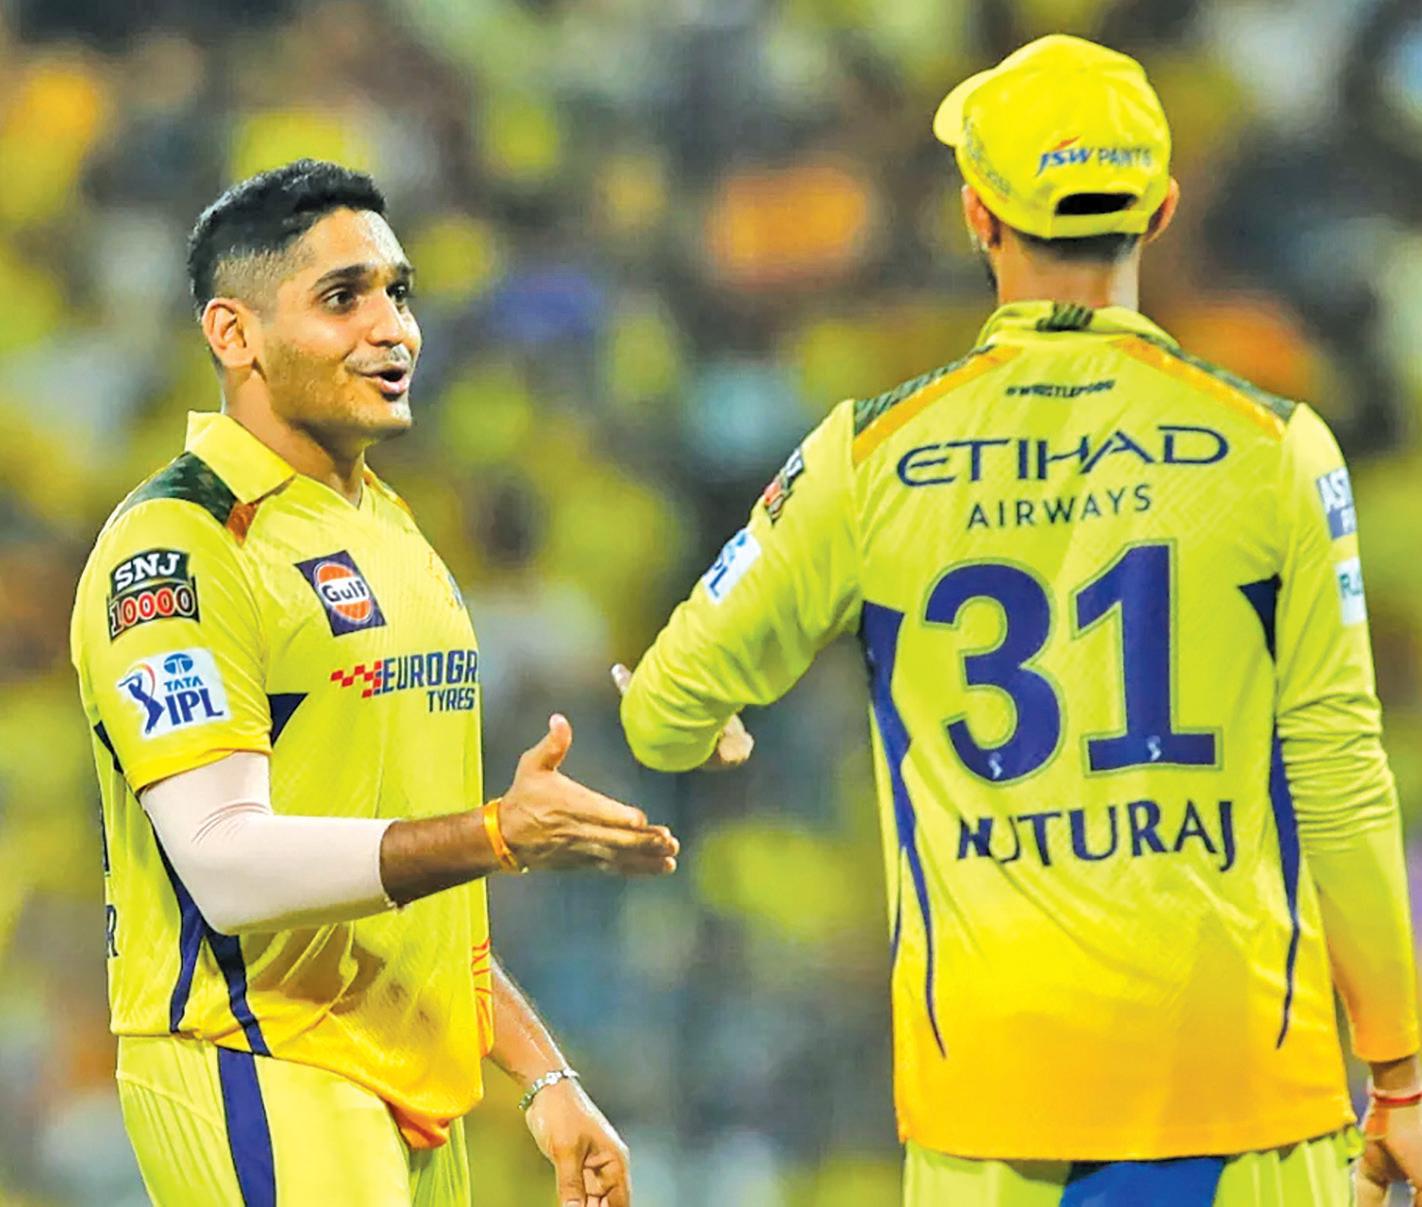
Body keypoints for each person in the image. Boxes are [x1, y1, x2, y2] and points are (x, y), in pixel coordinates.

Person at [616, 35, 1422, 1206]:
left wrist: (707, 724)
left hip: (993, 1115)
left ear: (976, 216)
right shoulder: (1279, 450)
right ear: (1161, 211)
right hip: (1239, 1093)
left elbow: (660, 714)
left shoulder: (868, 454)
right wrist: (1400, 1072)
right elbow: (1343, 775)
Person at [70, 159, 679, 1207]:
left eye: (398, 292)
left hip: (411, 1089)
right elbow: (225, 864)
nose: (393, 329)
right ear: (234, 334)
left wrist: (543, 1074)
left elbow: (408, 887)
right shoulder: (178, 548)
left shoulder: (392, 532)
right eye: (342, 298)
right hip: (258, 1060)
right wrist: (496, 833)